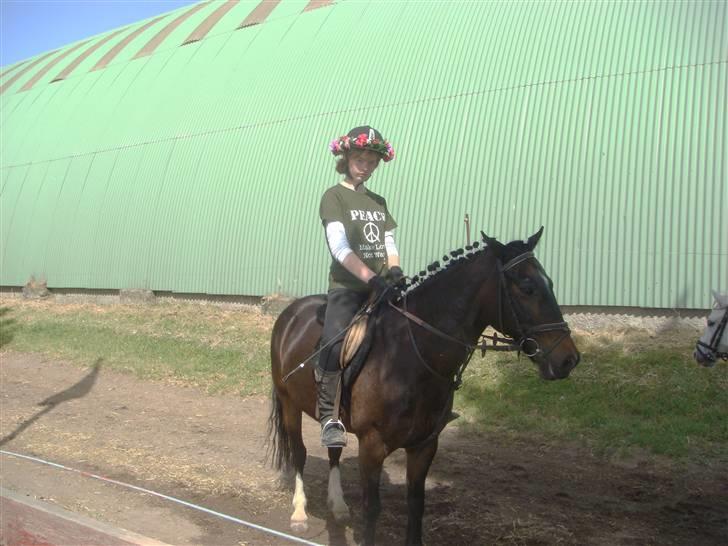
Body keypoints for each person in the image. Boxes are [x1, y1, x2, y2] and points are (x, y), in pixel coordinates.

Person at [317, 125, 403, 448]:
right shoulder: (334, 196)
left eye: (371, 161)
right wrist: (372, 278)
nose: (365, 165)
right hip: (348, 288)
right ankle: (329, 417)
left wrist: (394, 271)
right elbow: (339, 249)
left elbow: (387, 240)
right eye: (360, 158)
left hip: (382, 286)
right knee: (334, 341)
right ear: (347, 156)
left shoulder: (378, 201)